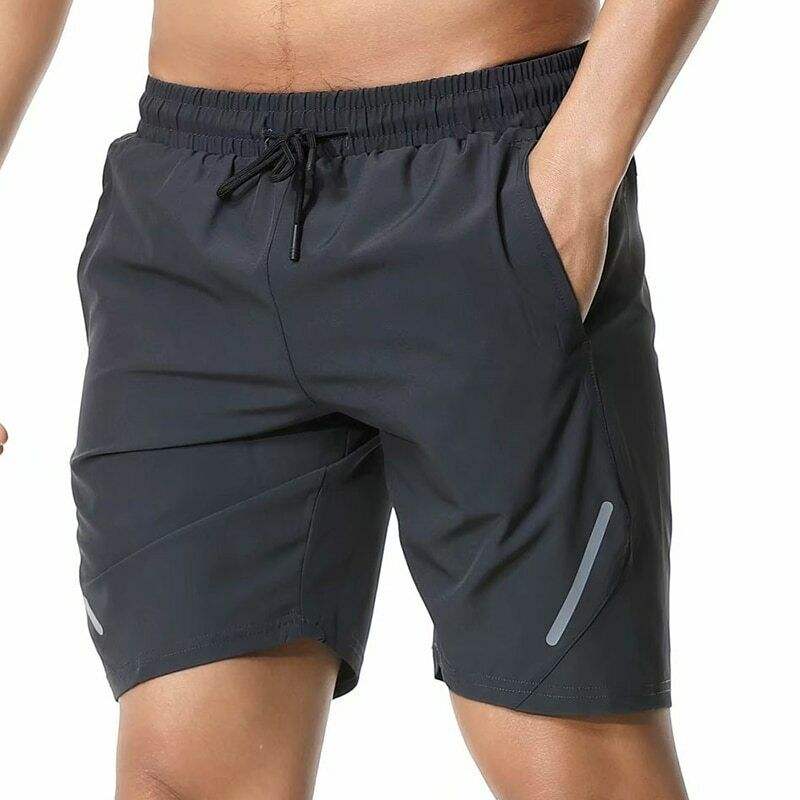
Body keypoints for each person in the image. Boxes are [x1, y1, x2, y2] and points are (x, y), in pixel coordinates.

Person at [0, 1, 718, 797]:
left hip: (482, 177)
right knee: (182, 778)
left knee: (576, 762)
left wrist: (580, 175)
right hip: (188, 217)